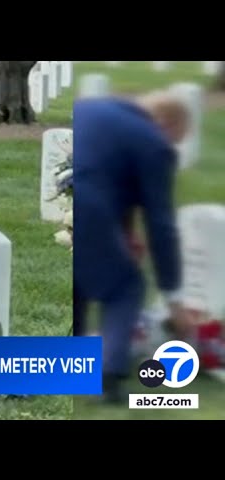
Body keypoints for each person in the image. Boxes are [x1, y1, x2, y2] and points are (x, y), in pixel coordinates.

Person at [73, 89, 195, 403]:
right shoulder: (153, 141)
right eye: (176, 139)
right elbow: (161, 224)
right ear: (167, 124)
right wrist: (175, 300)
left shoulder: (90, 108)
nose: (172, 148)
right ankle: (108, 376)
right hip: (92, 209)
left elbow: (110, 171)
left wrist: (124, 234)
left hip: (70, 199)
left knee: (80, 280)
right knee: (126, 286)